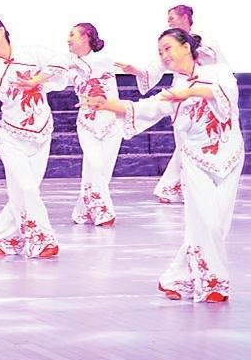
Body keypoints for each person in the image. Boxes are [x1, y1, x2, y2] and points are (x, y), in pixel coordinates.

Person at [84, 29, 243, 302]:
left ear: (186, 47)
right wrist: (107, 104)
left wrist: (189, 92)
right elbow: (144, 108)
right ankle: (214, 284)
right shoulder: (172, 91)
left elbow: (225, 92)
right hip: (194, 160)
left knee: (217, 224)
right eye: (160, 52)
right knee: (205, 221)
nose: (164, 55)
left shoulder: (216, 71)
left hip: (229, 156)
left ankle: (179, 277)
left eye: (168, 48)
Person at [0, 18, 68, 258]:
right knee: (27, 189)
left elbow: (62, 61)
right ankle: (42, 240)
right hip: (11, 138)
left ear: (2, 30)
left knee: (25, 192)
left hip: (42, 132)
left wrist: (37, 80)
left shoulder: (31, 53)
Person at [117, 4, 227, 203]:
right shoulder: (170, 44)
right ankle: (177, 188)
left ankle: (184, 186)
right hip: (180, 94)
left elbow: (219, 66)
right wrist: (136, 71)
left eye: (172, 18)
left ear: (184, 17)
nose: (169, 22)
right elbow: (155, 70)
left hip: (204, 93)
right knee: (184, 140)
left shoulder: (205, 41)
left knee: (197, 141)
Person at [65, 23, 122, 226]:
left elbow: (86, 67)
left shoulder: (102, 60)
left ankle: (83, 212)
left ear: (85, 37)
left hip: (111, 120)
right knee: (95, 164)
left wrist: (67, 64)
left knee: (102, 169)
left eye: (72, 34)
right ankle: (104, 213)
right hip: (87, 123)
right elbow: (55, 80)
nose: (68, 39)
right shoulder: (71, 65)